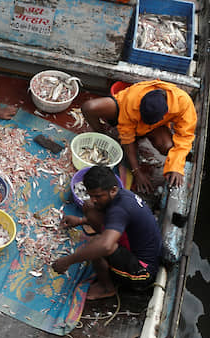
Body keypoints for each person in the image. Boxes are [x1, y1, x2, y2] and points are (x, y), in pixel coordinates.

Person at [52, 165, 162, 300]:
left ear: (113, 190)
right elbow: (97, 208)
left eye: (98, 195)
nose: (93, 199)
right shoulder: (121, 195)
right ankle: (108, 238)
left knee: (98, 245)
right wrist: (81, 221)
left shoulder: (120, 209)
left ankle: (107, 288)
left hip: (142, 271)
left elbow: (105, 246)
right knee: (89, 206)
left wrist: (67, 261)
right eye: (91, 194)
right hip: (130, 244)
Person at [80, 80, 196, 193]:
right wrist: (137, 172)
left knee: (167, 146)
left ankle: (145, 134)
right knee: (89, 107)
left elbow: (185, 137)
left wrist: (176, 167)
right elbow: (127, 138)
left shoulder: (183, 103)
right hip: (124, 112)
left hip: (154, 127)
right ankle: (104, 135)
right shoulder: (133, 99)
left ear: (164, 115)